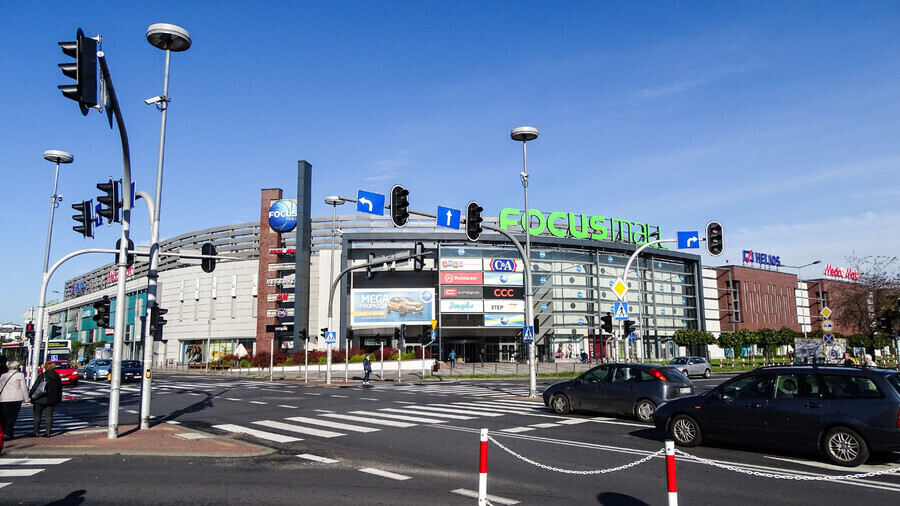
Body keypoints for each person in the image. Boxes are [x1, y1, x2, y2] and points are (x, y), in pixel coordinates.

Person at [30, 361, 62, 437]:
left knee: (37, 416)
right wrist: (58, 399)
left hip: (39, 399)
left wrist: (31, 395)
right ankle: (48, 432)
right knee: (49, 416)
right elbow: (59, 389)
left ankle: (36, 432)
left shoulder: (42, 376)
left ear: (46, 367)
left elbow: (35, 387)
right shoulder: (57, 377)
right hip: (51, 399)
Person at [0, 360, 30, 440]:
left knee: (5, 417)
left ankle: (8, 433)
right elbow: (23, 387)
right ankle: (7, 433)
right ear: (17, 367)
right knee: (12, 417)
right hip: (16, 398)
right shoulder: (20, 375)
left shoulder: (3, 375)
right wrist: (26, 399)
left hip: (4, 399)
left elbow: (0, 388)